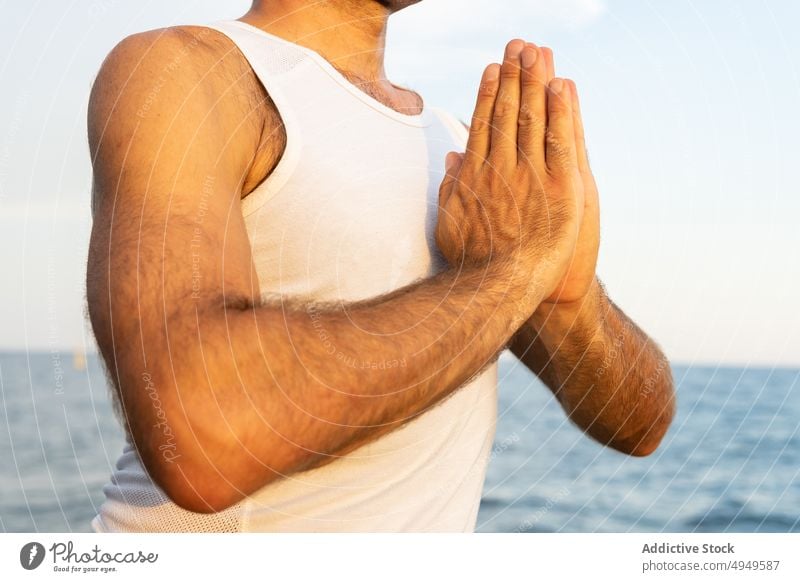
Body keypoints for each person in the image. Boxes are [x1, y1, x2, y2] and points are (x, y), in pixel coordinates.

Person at [86, 0, 675, 532]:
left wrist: (569, 296)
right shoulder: (188, 70)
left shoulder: (461, 151)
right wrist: (516, 271)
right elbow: (203, 434)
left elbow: (639, 425)